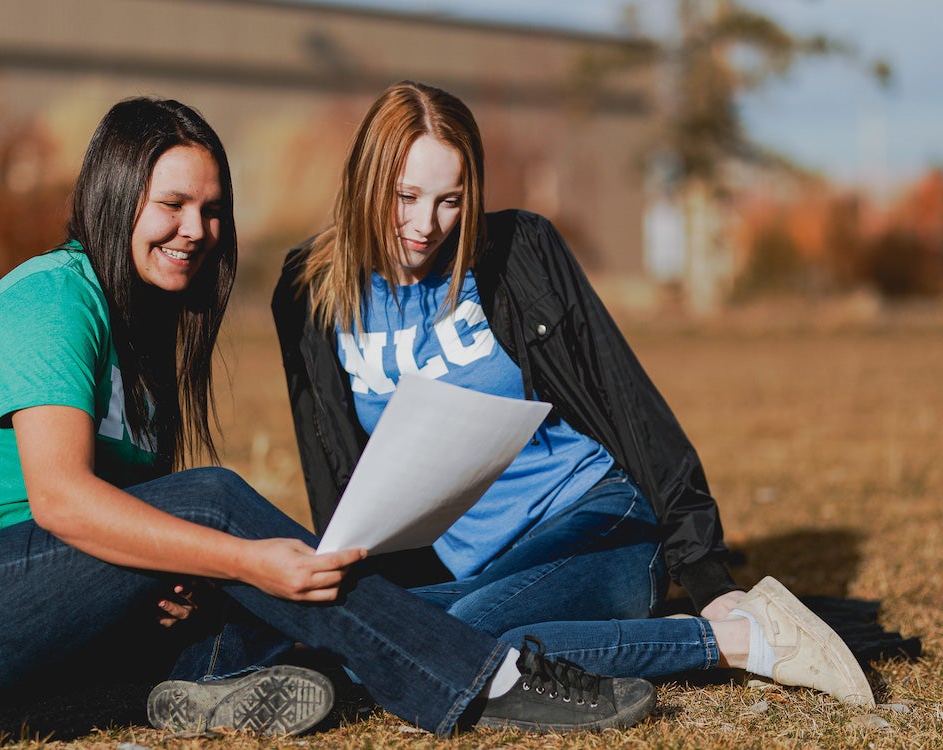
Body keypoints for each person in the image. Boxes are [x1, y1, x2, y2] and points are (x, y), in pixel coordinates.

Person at [0, 95, 663, 739]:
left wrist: (180, 580)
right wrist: (236, 559)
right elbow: (63, 501)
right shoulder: (51, 301)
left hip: (31, 612)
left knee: (240, 610)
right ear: (113, 195)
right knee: (214, 508)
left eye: (211, 211)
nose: (197, 231)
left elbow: (122, 522)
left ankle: (221, 685)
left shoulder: (143, 336)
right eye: (172, 205)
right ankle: (484, 681)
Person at [271, 80, 873, 706]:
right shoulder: (308, 291)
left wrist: (704, 573)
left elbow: (628, 404)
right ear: (365, 180)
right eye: (406, 197)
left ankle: (736, 637)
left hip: (597, 519)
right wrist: (354, 582)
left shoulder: (516, 253)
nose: (427, 225)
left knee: (445, 633)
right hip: (470, 572)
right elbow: (335, 465)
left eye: (451, 201)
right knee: (401, 625)